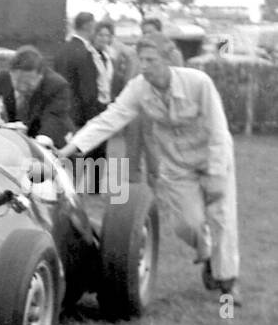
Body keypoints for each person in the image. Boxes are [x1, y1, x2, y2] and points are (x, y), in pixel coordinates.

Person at [58, 38, 241, 302]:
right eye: (141, 60)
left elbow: (218, 130)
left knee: (222, 219)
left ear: (167, 60)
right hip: (176, 166)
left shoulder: (199, 83)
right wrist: (72, 148)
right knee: (185, 225)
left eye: (151, 60)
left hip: (214, 158)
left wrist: (215, 172)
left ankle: (228, 284)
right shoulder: (138, 89)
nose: (144, 67)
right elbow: (110, 118)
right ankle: (210, 255)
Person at [0, 45, 73, 146]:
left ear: (41, 75)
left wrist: (40, 141)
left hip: (45, 143)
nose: (22, 87)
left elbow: (53, 118)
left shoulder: (56, 86)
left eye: (28, 84)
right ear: (10, 73)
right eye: (17, 82)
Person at [54, 12, 105, 156]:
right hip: (80, 118)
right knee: (82, 163)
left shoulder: (62, 50)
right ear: (89, 26)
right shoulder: (85, 53)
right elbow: (88, 92)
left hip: (62, 114)